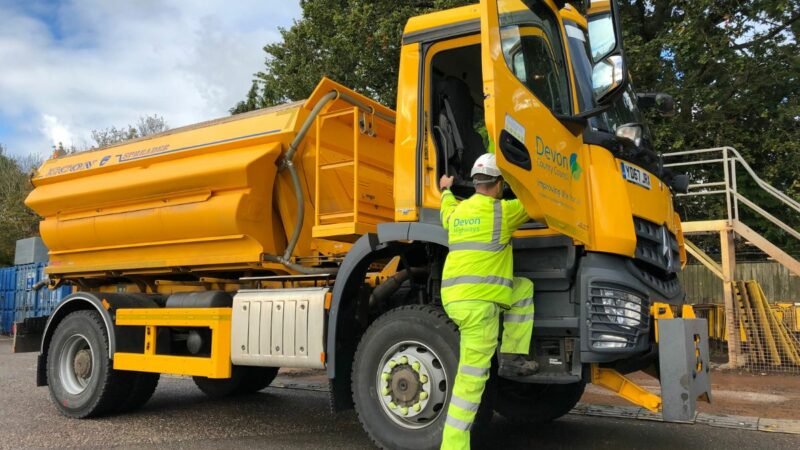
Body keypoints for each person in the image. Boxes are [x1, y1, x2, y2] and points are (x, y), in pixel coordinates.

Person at [439, 153, 537, 450]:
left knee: (522, 289)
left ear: (477, 181)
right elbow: (536, 204)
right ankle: (453, 446)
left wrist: (445, 188)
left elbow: (446, 210)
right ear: (499, 185)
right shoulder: (503, 212)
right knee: (470, 381)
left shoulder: (458, 212)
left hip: (454, 297)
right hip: (478, 308)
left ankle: (511, 354)